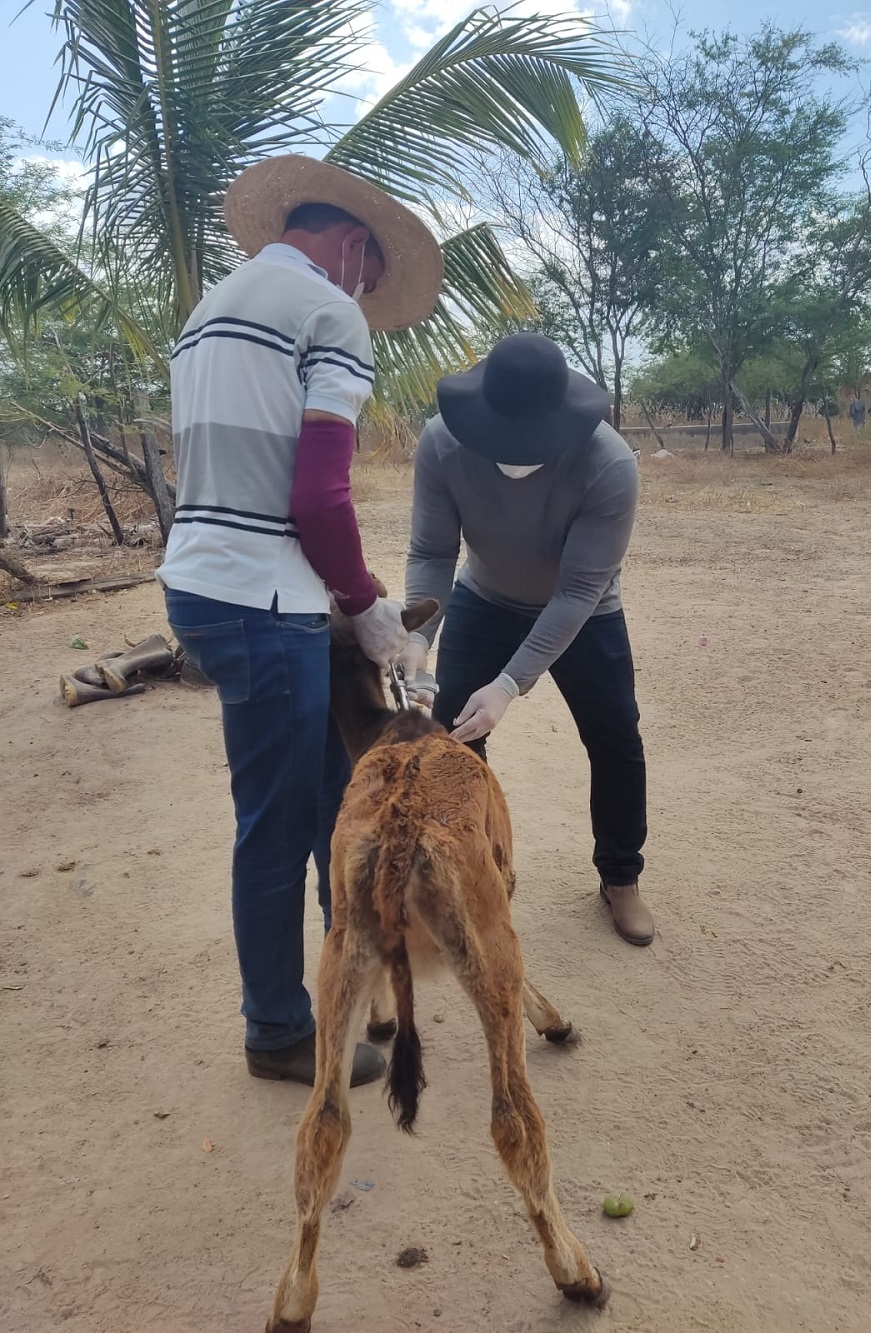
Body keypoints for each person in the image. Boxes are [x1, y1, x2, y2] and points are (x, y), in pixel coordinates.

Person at [157, 154, 443, 1086]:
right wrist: (369, 611)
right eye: (372, 274)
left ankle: (346, 988)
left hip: (203, 583)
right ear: (354, 247)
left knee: (331, 802)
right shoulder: (329, 314)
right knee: (282, 827)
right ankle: (278, 1031)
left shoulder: (212, 313)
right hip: (265, 599)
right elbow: (320, 498)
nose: (368, 290)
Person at [398, 332, 654, 946]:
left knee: (616, 736)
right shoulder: (441, 443)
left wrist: (510, 684)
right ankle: (475, 871)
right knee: (455, 739)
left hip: (584, 613)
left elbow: (577, 592)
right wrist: (418, 638)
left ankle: (620, 877)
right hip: (485, 599)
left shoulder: (609, 465)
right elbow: (432, 551)